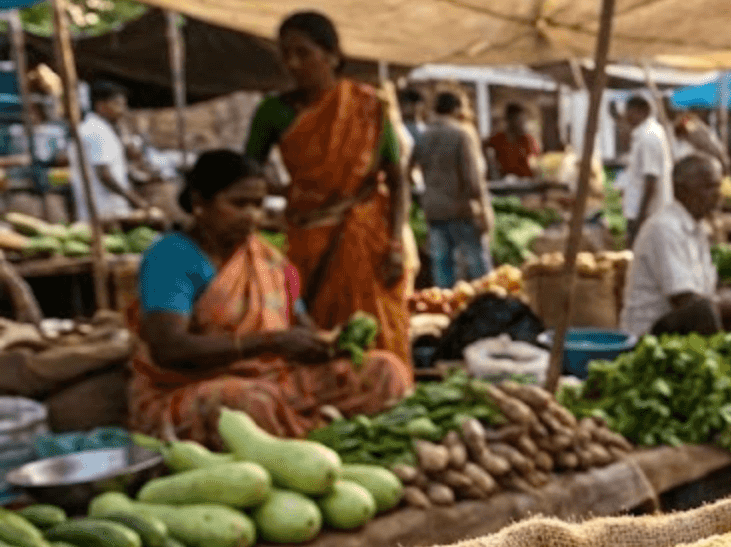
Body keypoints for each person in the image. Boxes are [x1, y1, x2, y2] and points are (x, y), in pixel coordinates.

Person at [130, 150, 406, 447]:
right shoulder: (171, 257)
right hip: (193, 386)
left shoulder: (270, 260)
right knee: (252, 405)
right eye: (239, 204)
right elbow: (169, 348)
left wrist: (328, 344)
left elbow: (300, 327)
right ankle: (313, 439)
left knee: (384, 370)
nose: (252, 215)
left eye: (258, 204)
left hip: (276, 378)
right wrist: (271, 342)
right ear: (199, 203)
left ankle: (322, 435)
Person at [245, 11, 415, 366]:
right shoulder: (272, 112)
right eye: (286, 54)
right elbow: (247, 173)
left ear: (333, 56)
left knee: (375, 336)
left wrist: (396, 243)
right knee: (313, 336)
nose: (293, 64)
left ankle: (387, 390)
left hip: (365, 237)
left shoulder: (368, 107)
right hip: (306, 237)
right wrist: (286, 193)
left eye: (303, 53)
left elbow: (396, 179)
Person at [620, 156, 731, 337]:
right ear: (682, 190)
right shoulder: (664, 228)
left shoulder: (697, 228)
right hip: (650, 333)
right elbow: (685, 300)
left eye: (718, 186)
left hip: (679, 323)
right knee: (703, 311)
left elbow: (709, 290)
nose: (718, 194)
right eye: (708, 187)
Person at [411, 91, 493, 289]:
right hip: (461, 209)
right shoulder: (461, 134)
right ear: (456, 109)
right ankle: (488, 302)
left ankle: (446, 305)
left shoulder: (424, 136)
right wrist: (484, 210)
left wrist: (426, 192)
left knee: (442, 269)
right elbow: (473, 179)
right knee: (478, 267)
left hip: (434, 210)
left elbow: (408, 170)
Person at [70, 81, 146, 225]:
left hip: (106, 210)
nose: (122, 110)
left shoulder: (103, 129)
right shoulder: (96, 131)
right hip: (104, 211)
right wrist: (136, 201)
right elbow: (105, 175)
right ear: (101, 106)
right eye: (117, 104)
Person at [618, 96, 673, 246]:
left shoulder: (649, 136)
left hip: (647, 214)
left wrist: (640, 218)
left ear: (641, 111)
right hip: (644, 213)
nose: (627, 118)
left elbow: (651, 179)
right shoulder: (646, 133)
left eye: (629, 113)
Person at [484, 102, 540, 180]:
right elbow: (485, 151)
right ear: (509, 120)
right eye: (519, 120)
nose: (522, 124)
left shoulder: (528, 140)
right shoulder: (497, 139)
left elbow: (535, 162)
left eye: (523, 120)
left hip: (527, 182)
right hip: (504, 182)